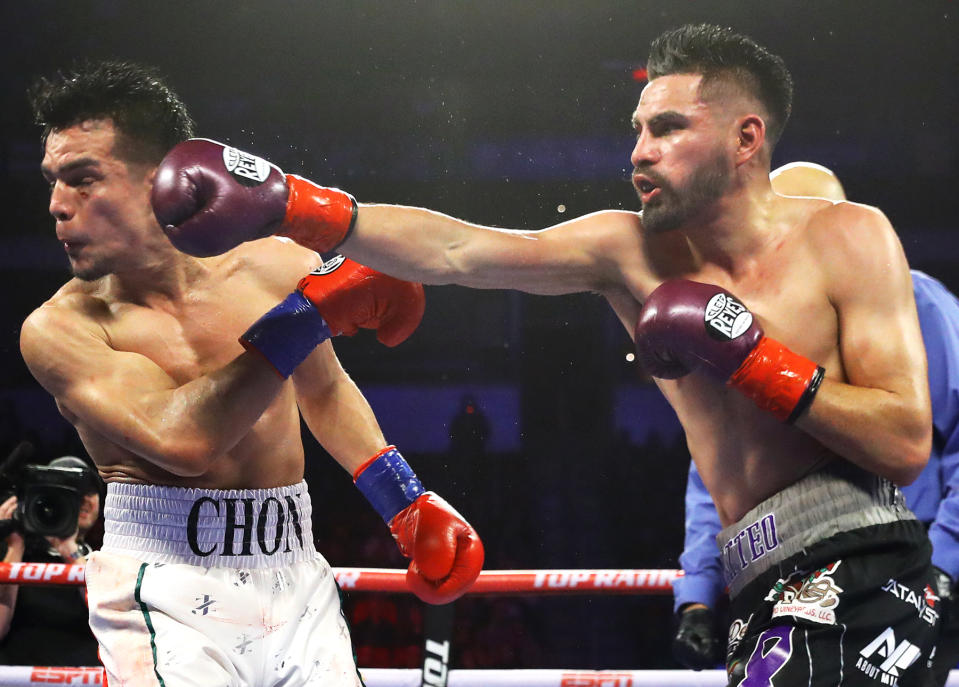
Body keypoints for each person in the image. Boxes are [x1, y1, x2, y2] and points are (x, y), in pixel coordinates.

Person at [154, 23, 942, 684]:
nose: (639, 151)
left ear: (746, 138)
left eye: (667, 128)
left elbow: (903, 442)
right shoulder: (626, 250)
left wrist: (751, 355)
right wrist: (298, 204)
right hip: (758, 582)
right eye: (635, 129)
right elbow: (463, 248)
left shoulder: (847, 235)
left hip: (863, 560)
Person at [19, 61, 484, 687]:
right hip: (163, 586)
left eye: (82, 180)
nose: (56, 205)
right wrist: (310, 313)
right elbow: (182, 442)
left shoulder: (274, 263)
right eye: (53, 182)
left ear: (161, 177)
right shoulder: (61, 329)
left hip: (294, 573)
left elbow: (323, 392)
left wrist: (405, 503)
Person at [673, 162, 959, 685]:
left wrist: (946, 560)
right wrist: (698, 593)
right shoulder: (744, 318)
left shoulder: (920, 308)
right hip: (778, 574)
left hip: (902, 567)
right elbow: (717, 467)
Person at [0, 455, 102, 666]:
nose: (82, 499)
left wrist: (68, 550)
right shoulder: (13, 554)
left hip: (82, 679)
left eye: (88, 490)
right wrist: (14, 547)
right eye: (69, 491)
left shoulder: (107, 561)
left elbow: (107, 615)